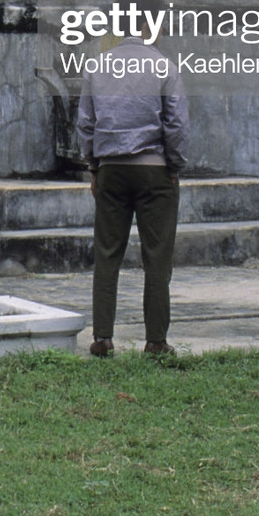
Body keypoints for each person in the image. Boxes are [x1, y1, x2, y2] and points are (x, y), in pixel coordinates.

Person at [77, 34, 191, 358]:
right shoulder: (164, 66)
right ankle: (156, 341)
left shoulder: (96, 66)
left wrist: (93, 165)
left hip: (111, 169)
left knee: (107, 254)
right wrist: (175, 165)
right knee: (157, 257)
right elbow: (177, 124)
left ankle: (102, 337)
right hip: (155, 170)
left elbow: (86, 124)